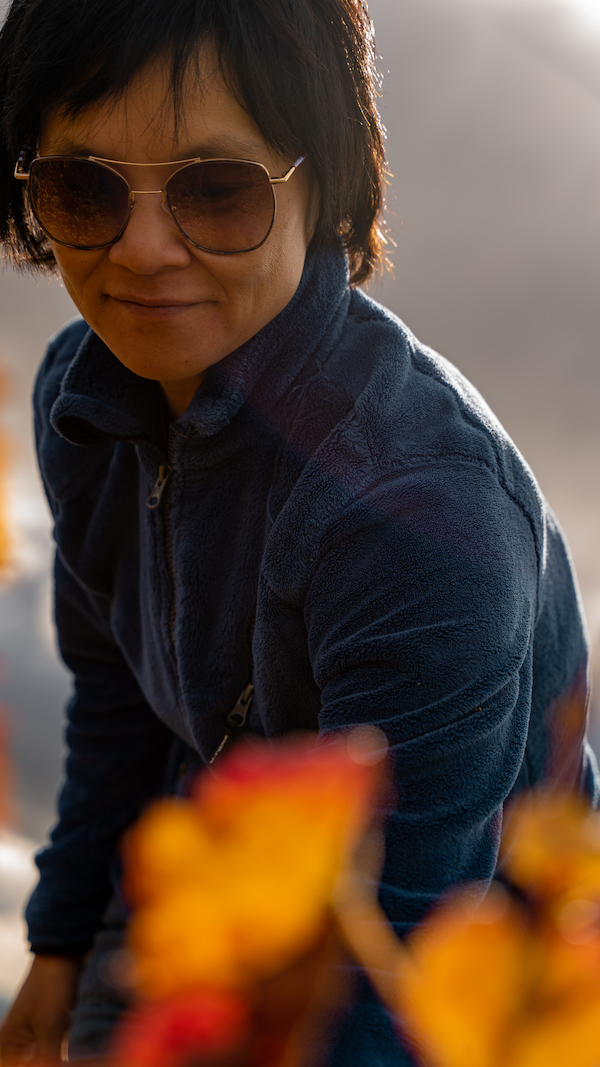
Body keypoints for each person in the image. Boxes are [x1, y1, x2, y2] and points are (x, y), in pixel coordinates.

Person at [0, 0, 597, 1063]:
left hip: (468, 962)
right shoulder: (83, 407)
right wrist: (55, 960)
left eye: (216, 191)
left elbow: (396, 966)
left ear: (327, 185)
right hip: (226, 873)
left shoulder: (420, 515)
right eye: (81, 185)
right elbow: (122, 715)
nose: (141, 249)